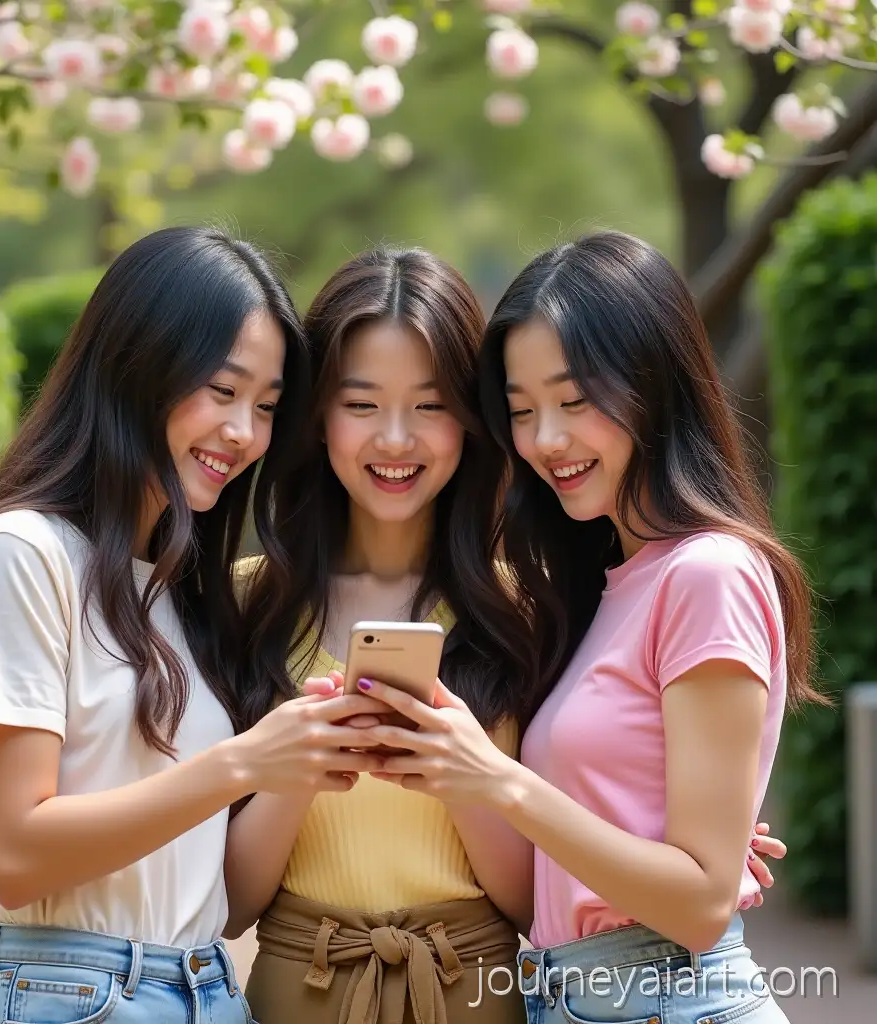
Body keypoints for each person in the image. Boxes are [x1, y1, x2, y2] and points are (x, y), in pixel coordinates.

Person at [224, 245, 785, 1024]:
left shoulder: (538, 607)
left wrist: (483, 779)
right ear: (316, 416)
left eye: (430, 405)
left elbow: (552, 886)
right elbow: (221, 900)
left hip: (497, 991)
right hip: (313, 991)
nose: (395, 438)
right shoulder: (245, 602)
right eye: (360, 404)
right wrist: (299, 764)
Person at [0, 227, 387, 1024]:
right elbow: (16, 854)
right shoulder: (22, 553)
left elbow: (216, 907)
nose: (244, 433)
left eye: (265, 407)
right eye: (222, 390)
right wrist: (240, 762)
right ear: (137, 365)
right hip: (78, 995)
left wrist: (296, 765)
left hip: (205, 987)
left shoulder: (176, 590)